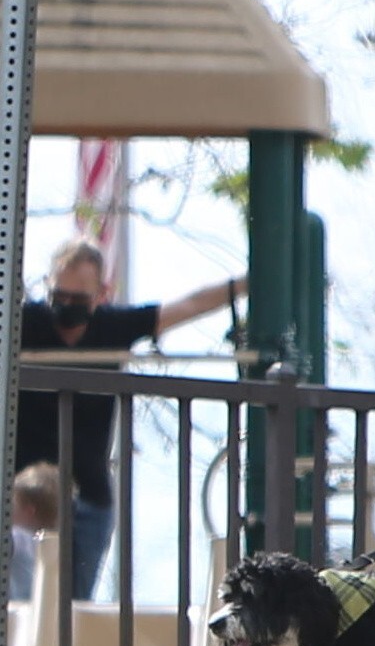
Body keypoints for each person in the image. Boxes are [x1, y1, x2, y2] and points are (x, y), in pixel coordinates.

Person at [16, 238, 247, 600]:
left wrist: (247, 284)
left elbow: (187, 305)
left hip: (87, 499)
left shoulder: (113, 327)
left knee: (73, 610)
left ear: (101, 294)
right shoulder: (24, 323)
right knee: (17, 602)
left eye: (78, 299)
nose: (67, 306)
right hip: (24, 498)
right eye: (59, 296)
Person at [8, 460, 62, 600]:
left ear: (29, 511)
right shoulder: (50, 541)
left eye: (12, 503)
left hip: (16, 609)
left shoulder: (19, 538)